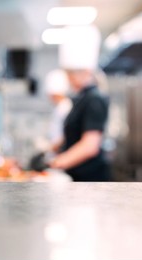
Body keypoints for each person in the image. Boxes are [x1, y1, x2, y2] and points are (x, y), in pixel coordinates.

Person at [49, 25, 110, 181]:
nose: (69, 79)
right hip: (76, 176)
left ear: (86, 72)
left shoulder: (95, 99)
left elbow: (90, 146)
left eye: (72, 74)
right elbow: (74, 132)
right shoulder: (79, 99)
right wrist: (50, 150)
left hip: (91, 178)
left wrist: (57, 163)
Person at [45, 69, 72, 152]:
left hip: (63, 152)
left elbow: (67, 134)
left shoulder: (66, 108)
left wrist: (52, 147)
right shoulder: (60, 107)